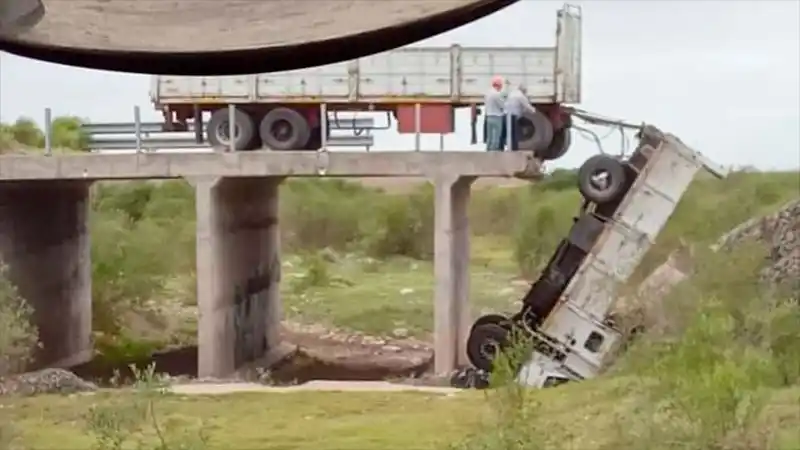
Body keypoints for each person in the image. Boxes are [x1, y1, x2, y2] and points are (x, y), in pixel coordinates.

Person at [504, 83, 537, 151]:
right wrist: (534, 111)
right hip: (513, 116)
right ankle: (514, 149)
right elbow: (527, 106)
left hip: (507, 114)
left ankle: (510, 148)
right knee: (514, 132)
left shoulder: (513, 93)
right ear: (524, 90)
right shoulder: (520, 96)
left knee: (510, 132)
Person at [483, 76, 506, 151]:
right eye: (501, 85)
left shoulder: (488, 93)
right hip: (497, 117)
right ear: (498, 85)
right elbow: (502, 105)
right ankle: (494, 152)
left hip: (489, 116)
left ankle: (488, 150)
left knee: (489, 136)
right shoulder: (496, 94)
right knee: (496, 137)